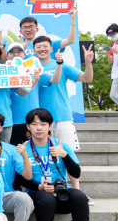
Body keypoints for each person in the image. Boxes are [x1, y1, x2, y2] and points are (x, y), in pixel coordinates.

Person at [15, 108, 100, 221]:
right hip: (37, 195)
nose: (39, 128)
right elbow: (19, 179)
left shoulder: (62, 145)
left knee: (80, 196)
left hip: (61, 193)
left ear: (50, 126)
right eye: (34, 124)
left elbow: (76, 173)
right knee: (46, 198)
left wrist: (64, 155)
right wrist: (39, 187)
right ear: (28, 126)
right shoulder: (23, 149)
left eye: (43, 124)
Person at [35, 36, 94, 203]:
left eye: (45, 46)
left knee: (68, 155)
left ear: (51, 48)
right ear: (33, 50)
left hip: (62, 117)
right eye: (38, 47)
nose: (42, 49)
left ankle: (78, 193)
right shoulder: (30, 68)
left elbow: (87, 78)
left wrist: (88, 62)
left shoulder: (62, 65)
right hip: (39, 121)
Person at [7, 42, 51, 145]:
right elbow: (21, 92)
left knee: (34, 148)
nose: (16, 54)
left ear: (24, 54)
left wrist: (59, 63)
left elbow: (55, 79)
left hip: (32, 119)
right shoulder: (4, 71)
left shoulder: (34, 70)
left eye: (19, 51)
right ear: (7, 55)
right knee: (15, 148)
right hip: (12, 119)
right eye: (12, 52)